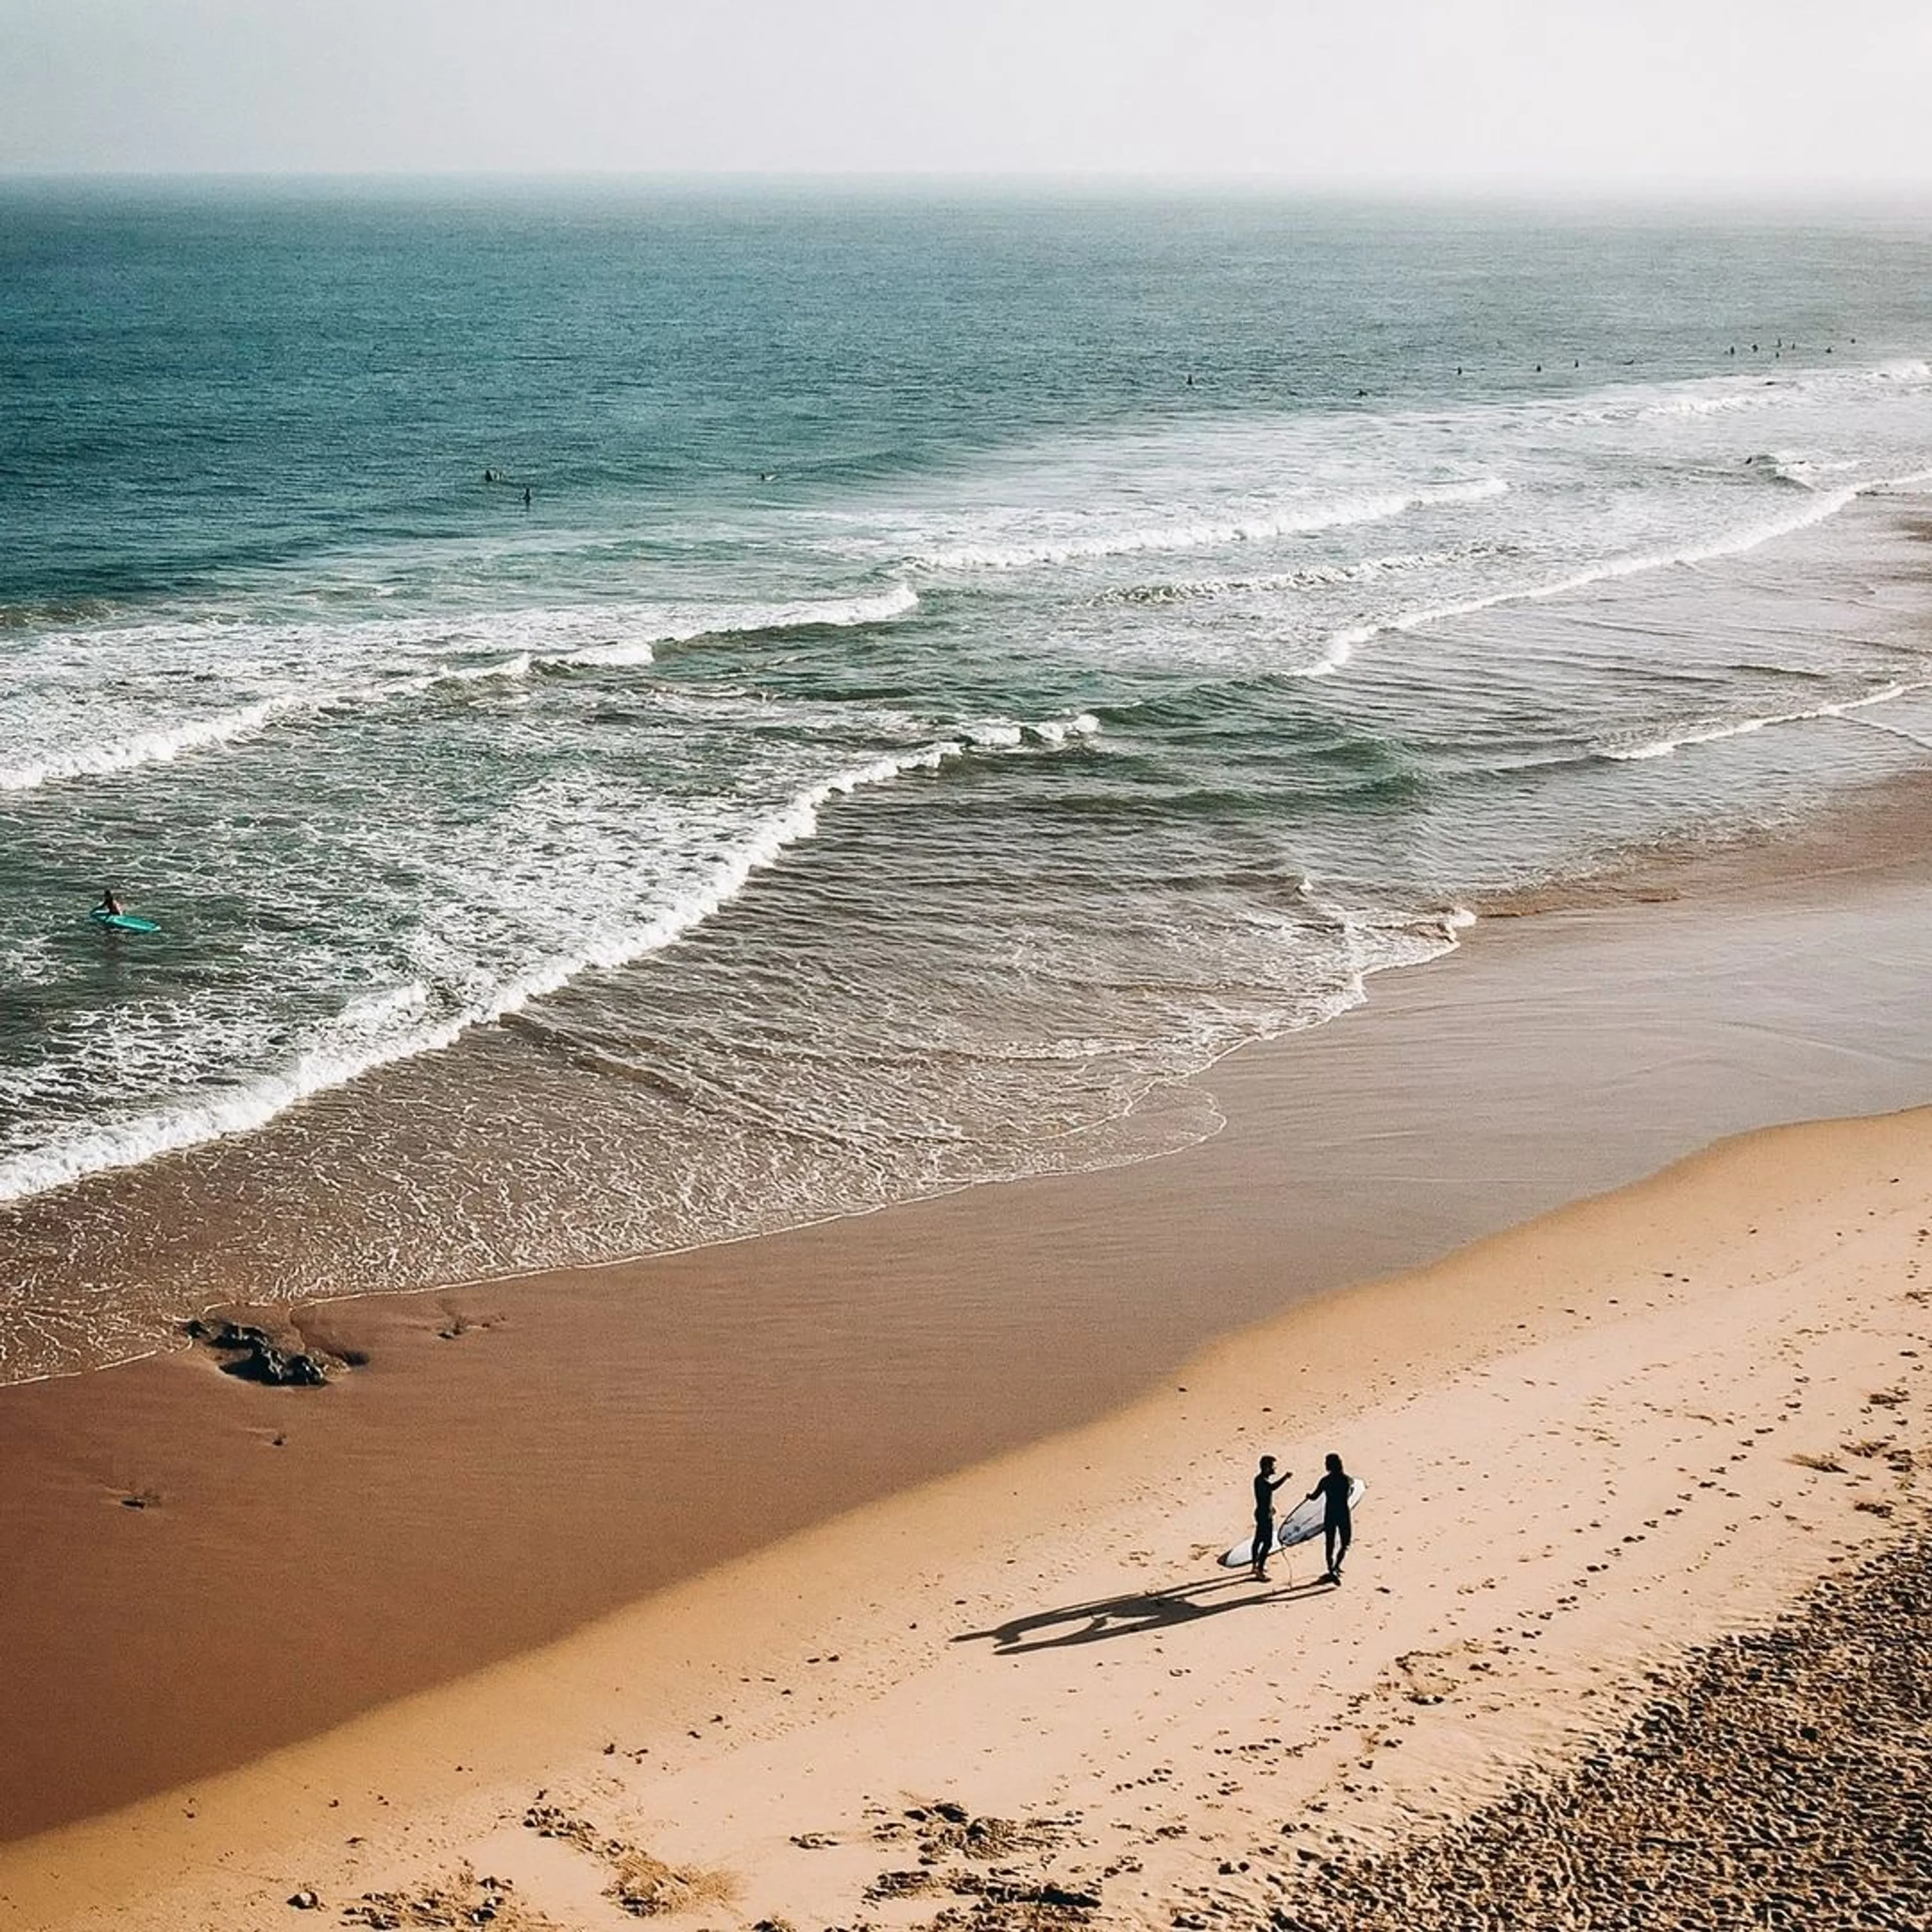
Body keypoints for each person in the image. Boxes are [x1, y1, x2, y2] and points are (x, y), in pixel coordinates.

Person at [1308, 1453, 1353, 1584]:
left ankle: (1331, 1569)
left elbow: (1315, 1497)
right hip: (1343, 1514)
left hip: (1330, 1514)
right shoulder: (1346, 1480)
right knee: (1345, 1543)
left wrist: (1308, 1496)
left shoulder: (1325, 1481)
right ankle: (1337, 1566)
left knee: (1330, 1543)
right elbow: (1351, 1493)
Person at [1250, 1455, 1291, 1581]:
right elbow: (1272, 1488)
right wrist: (1285, 1478)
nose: (1275, 1468)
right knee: (1267, 1543)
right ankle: (1260, 1570)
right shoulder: (1263, 1481)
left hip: (1261, 1512)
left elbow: (1265, 1496)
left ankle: (1255, 1565)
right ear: (1267, 1467)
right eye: (1273, 1466)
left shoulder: (1259, 1479)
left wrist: (1270, 1507)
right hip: (1264, 1516)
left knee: (1258, 1540)